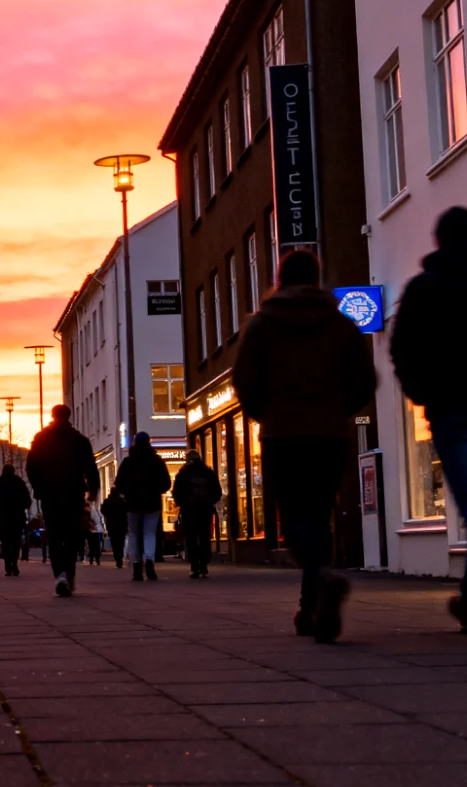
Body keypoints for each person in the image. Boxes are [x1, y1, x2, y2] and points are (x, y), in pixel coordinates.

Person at [234, 249, 378, 644]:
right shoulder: (340, 325)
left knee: (295, 517)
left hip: (282, 433)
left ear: (280, 279)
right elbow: (365, 379)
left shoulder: (262, 325)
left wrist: (266, 413)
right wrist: (338, 410)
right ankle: (313, 604)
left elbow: (244, 380)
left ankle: (321, 582)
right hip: (330, 433)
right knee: (319, 514)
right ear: (317, 278)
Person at [391, 206, 467, 632]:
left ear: (438, 240)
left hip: (449, 410)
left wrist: (422, 393)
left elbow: (401, 349)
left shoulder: (423, 288)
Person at [26, 404, 101, 598]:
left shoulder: (41, 439)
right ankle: (68, 573)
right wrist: (93, 490)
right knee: (71, 536)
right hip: (73, 494)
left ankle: (60, 574)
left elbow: (31, 467)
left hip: (50, 495)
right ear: (69, 416)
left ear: (52, 416)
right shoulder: (79, 440)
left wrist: (39, 488)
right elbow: (90, 468)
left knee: (55, 535)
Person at [115, 432, 171, 582]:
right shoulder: (156, 461)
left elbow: (119, 483)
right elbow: (166, 483)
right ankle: (149, 561)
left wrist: (128, 493)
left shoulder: (128, 462)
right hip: (152, 503)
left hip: (133, 503)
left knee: (133, 534)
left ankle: (136, 566)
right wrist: (156, 490)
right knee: (149, 533)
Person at [172, 449, 224, 579]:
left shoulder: (183, 474)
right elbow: (217, 492)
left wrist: (182, 503)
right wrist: (209, 501)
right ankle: (204, 565)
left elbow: (176, 492)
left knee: (191, 538)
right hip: (205, 510)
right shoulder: (208, 473)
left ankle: (194, 566)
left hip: (189, 511)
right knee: (204, 537)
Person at [0, 464, 30, 576]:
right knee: (16, 542)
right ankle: (14, 563)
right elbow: (27, 500)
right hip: (17, 517)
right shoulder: (19, 483)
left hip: (4, 518)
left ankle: (7, 564)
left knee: (5, 542)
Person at [101, 487, 128, 568]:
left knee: (114, 542)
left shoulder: (107, 501)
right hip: (122, 524)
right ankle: (120, 556)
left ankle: (117, 558)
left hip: (111, 524)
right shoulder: (122, 501)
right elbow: (126, 511)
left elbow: (103, 511)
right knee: (121, 541)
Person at [86, 499, 104, 566]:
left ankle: (92, 559)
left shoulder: (92, 511)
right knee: (97, 545)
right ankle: (96, 559)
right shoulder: (97, 511)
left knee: (92, 545)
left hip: (93, 530)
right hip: (97, 530)